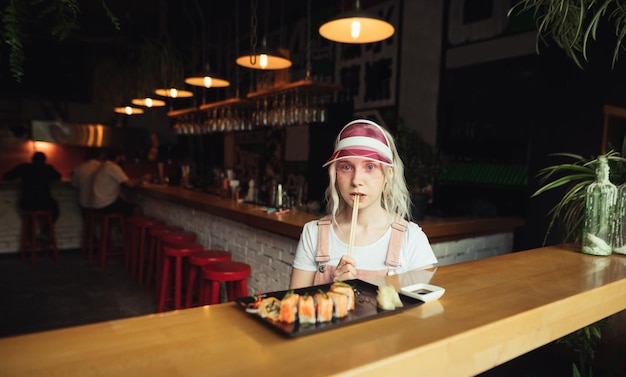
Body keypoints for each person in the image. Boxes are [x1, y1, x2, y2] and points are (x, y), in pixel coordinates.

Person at [289, 119, 437, 289]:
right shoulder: (313, 233)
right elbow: (295, 307)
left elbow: (425, 311)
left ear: (388, 175)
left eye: (370, 167)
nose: (356, 180)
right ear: (335, 174)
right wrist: (333, 289)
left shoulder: (411, 239)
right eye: (346, 167)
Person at [3, 151, 62, 237]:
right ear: (45, 160)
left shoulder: (24, 168)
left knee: (28, 216)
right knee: (55, 209)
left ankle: (30, 237)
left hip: (27, 203)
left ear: (32, 159)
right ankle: (46, 231)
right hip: (45, 203)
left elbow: (7, 177)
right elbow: (58, 177)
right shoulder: (48, 168)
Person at [91, 150, 142, 216]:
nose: (123, 159)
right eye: (122, 156)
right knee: (137, 209)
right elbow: (130, 184)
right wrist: (142, 179)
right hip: (105, 205)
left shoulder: (103, 166)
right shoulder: (113, 167)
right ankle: (129, 226)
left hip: (96, 204)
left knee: (125, 203)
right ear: (117, 157)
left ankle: (120, 225)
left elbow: (119, 190)